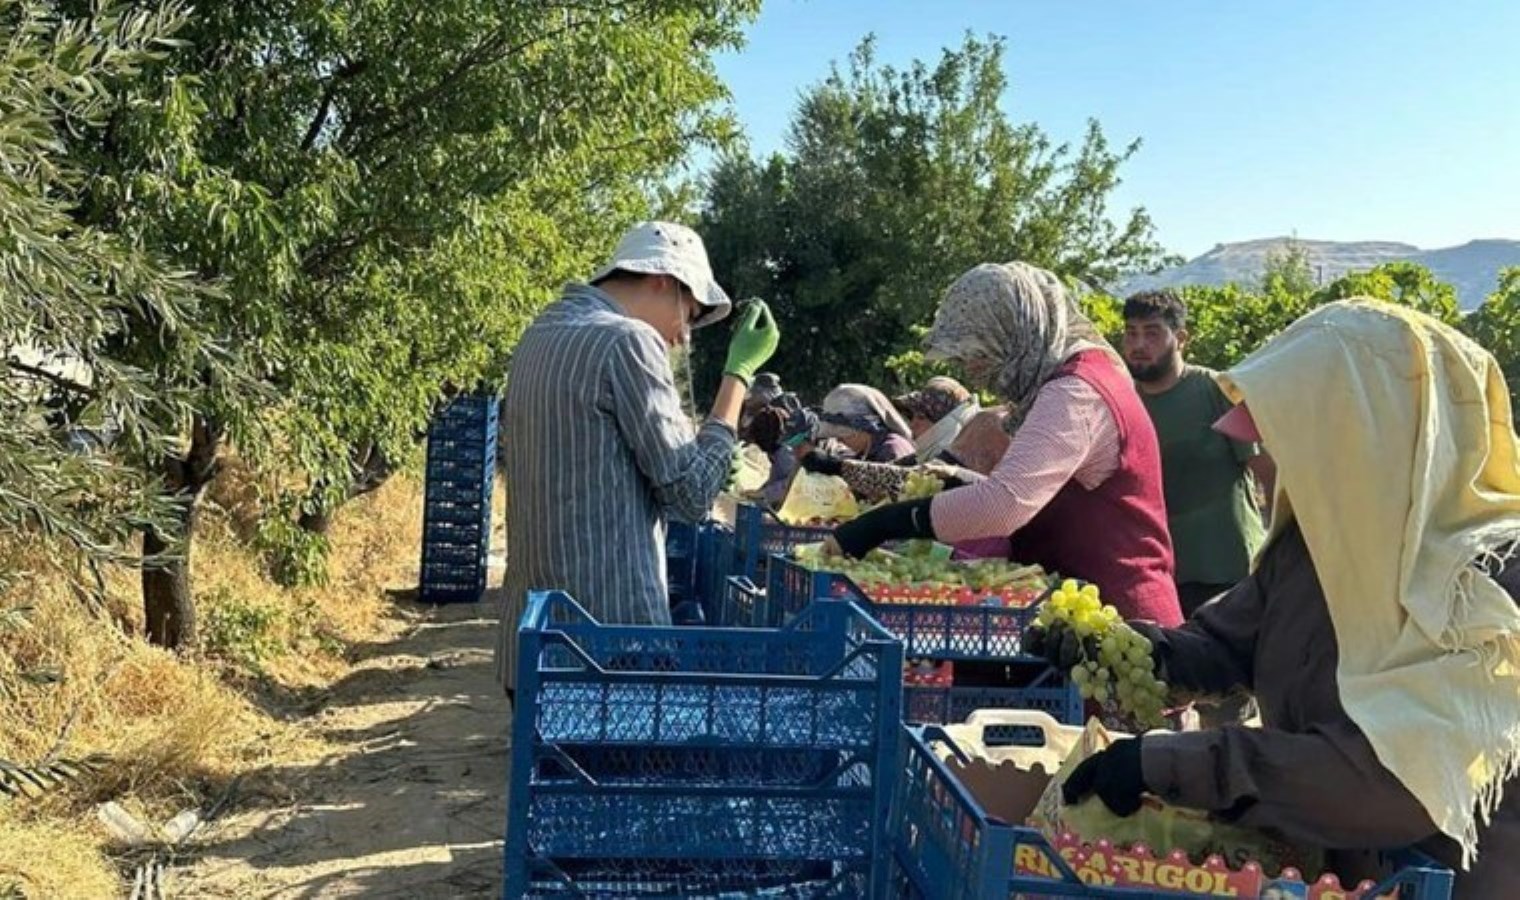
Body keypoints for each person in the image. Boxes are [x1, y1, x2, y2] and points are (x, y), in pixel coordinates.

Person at [1041, 301, 1520, 899]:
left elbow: (1397, 780)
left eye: (1294, 443)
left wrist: (1174, 764)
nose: (1273, 465)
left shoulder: (1487, 575)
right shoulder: (1317, 541)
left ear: (1374, 440)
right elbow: (1227, 644)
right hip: (1343, 874)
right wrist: (1133, 650)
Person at [496, 222, 780, 701]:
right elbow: (691, 496)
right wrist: (737, 379)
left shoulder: (540, 334)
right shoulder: (626, 341)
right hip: (609, 642)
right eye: (688, 315)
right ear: (662, 280)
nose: (682, 337)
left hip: (533, 644)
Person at [827, 262, 1183, 626]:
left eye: (978, 351)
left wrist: (880, 524)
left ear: (1014, 331)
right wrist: (962, 483)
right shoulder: (1066, 382)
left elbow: (1006, 504)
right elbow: (1031, 491)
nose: (970, 368)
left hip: (1120, 621)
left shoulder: (1075, 392)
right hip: (1076, 616)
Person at [1121, 289, 1271, 617]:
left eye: (1152, 333)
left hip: (1230, 576)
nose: (1139, 345)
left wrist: (1281, 554)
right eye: (1131, 333)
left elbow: (1267, 471)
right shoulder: (1124, 404)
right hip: (1161, 578)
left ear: (1181, 338)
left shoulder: (1216, 391)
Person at [814, 384, 917, 463]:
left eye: (842, 435)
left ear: (862, 428)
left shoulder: (891, 449)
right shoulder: (865, 451)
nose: (839, 440)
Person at [895, 376, 979, 463]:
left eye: (921, 417)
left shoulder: (950, 468)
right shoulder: (921, 458)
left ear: (943, 425)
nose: (912, 425)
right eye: (911, 416)